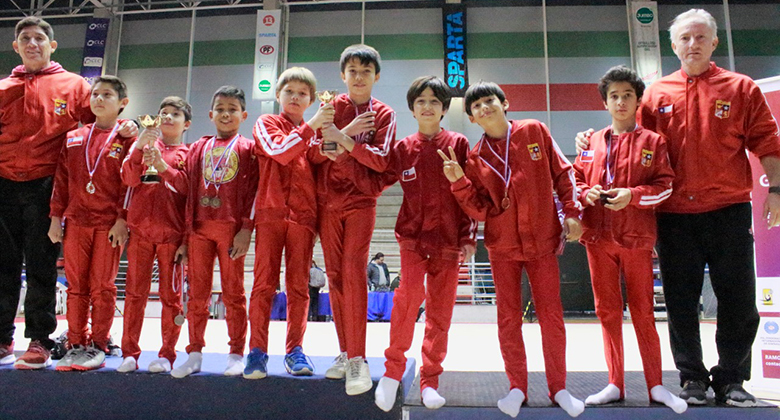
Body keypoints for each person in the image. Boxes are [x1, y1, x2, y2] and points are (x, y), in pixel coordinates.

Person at [575, 9, 780, 407]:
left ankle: (732, 378)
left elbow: (768, 144)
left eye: (701, 37)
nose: (693, 44)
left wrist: (777, 190)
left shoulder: (741, 88)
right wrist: (588, 138)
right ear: (673, 45)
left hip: (729, 209)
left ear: (714, 42)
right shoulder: (655, 94)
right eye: (685, 38)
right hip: (673, 215)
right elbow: (627, 133)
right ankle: (691, 379)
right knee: (681, 302)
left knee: (738, 300)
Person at [440, 81, 585, 418]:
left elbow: (564, 173)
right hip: (503, 247)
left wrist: (573, 213)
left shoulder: (535, 130)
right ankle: (516, 387)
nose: (483, 108)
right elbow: (479, 210)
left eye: (489, 101)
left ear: (504, 103)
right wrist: (459, 182)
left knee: (551, 317)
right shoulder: (475, 157)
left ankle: (558, 387)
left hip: (542, 242)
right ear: (472, 118)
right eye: (476, 107)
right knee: (507, 320)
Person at [0, 17, 136, 369]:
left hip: (47, 183)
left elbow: (99, 129)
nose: (32, 43)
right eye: (25, 39)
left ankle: (40, 340)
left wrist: (128, 128)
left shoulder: (74, 85)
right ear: (16, 46)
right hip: (3, 183)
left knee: (42, 264)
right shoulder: (2, 87)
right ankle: (2, 338)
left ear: (52, 45)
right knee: (3, 265)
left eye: (39, 38)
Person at [572, 66, 684, 413]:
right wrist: (586, 194)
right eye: (614, 96)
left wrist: (632, 195)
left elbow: (665, 186)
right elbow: (573, 182)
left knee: (643, 313)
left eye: (627, 95)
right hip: (597, 239)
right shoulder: (590, 141)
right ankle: (614, 383)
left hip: (635, 238)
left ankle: (655, 386)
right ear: (605, 102)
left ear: (638, 101)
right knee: (607, 313)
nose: (620, 101)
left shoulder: (654, 142)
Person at [374, 76, 477, 412]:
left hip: (448, 242)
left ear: (445, 108)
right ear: (412, 109)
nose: (428, 106)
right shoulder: (403, 149)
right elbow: (375, 178)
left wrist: (467, 237)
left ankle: (431, 379)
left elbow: (470, 193)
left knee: (440, 314)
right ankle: (392, 372)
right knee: (406, 301)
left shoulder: (459, 144)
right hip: (413, 240)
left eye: (435, 101)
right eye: (421, 101)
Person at [308, 44, 396, 395]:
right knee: (335, 277)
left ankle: (360, 359)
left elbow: (381, 162)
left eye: (366, 71)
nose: (359, 78)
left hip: (361, 202)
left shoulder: (384, 114)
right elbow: (313, 154)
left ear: (377, 76)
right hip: (328, 203)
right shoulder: (331, 107)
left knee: (354, 275)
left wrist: (343, 137)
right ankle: (345, 352)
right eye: (352, 71)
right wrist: (329, 141)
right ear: (342, 75)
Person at [245, 67, 334, 379]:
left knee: (299, 287)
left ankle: (295, 350)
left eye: (302, 93)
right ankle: (257, 352)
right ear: (278, 95)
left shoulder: (315, 133)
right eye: (290, 91)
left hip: (304, 217)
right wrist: (312, 127)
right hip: (270, 214)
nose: (295, 97)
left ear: (311, 100)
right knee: (263, 285)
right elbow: (280, 152)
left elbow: (324, 159)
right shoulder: (266, 123)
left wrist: (334, 134)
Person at [171, 86, 258, 378]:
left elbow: (254, 192)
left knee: (233, 293)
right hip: (198, 229)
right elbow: (187, 194)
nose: (226, 114)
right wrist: (184, 237)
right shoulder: (198, 147)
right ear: (210, 114)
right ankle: (194, 352)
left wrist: (246, 229)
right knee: (197, 294)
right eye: (220, 109)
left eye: (232, 109)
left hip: (231, 229)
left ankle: (235, 352)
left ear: (243, 115)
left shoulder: (249, 148)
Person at [48, 75, 133, 371]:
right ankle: (75, 343)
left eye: (107, 95)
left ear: (122, 103)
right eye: (95, 94)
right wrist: (56, 217)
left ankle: (98, 343)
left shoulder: (128, 137)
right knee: (76, 287)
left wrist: (123, 219)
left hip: (109, 224)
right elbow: (61, 180)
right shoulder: (74, 136)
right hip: (76, 221)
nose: (98, 99)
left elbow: (131, 184)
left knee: (103, 286)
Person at [117, 96, 191, 373]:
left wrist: (162, 166)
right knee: (134, 295)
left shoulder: (189, 153)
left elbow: (187, 190)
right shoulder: (143, 148)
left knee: (170, 298)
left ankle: (167, 354)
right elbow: (128, 179)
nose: (168, 118)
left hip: (171, 236)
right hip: (140, 234)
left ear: (187, 124)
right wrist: (139, 147)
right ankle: (129, 353)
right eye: (163, 113)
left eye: (175, 114)